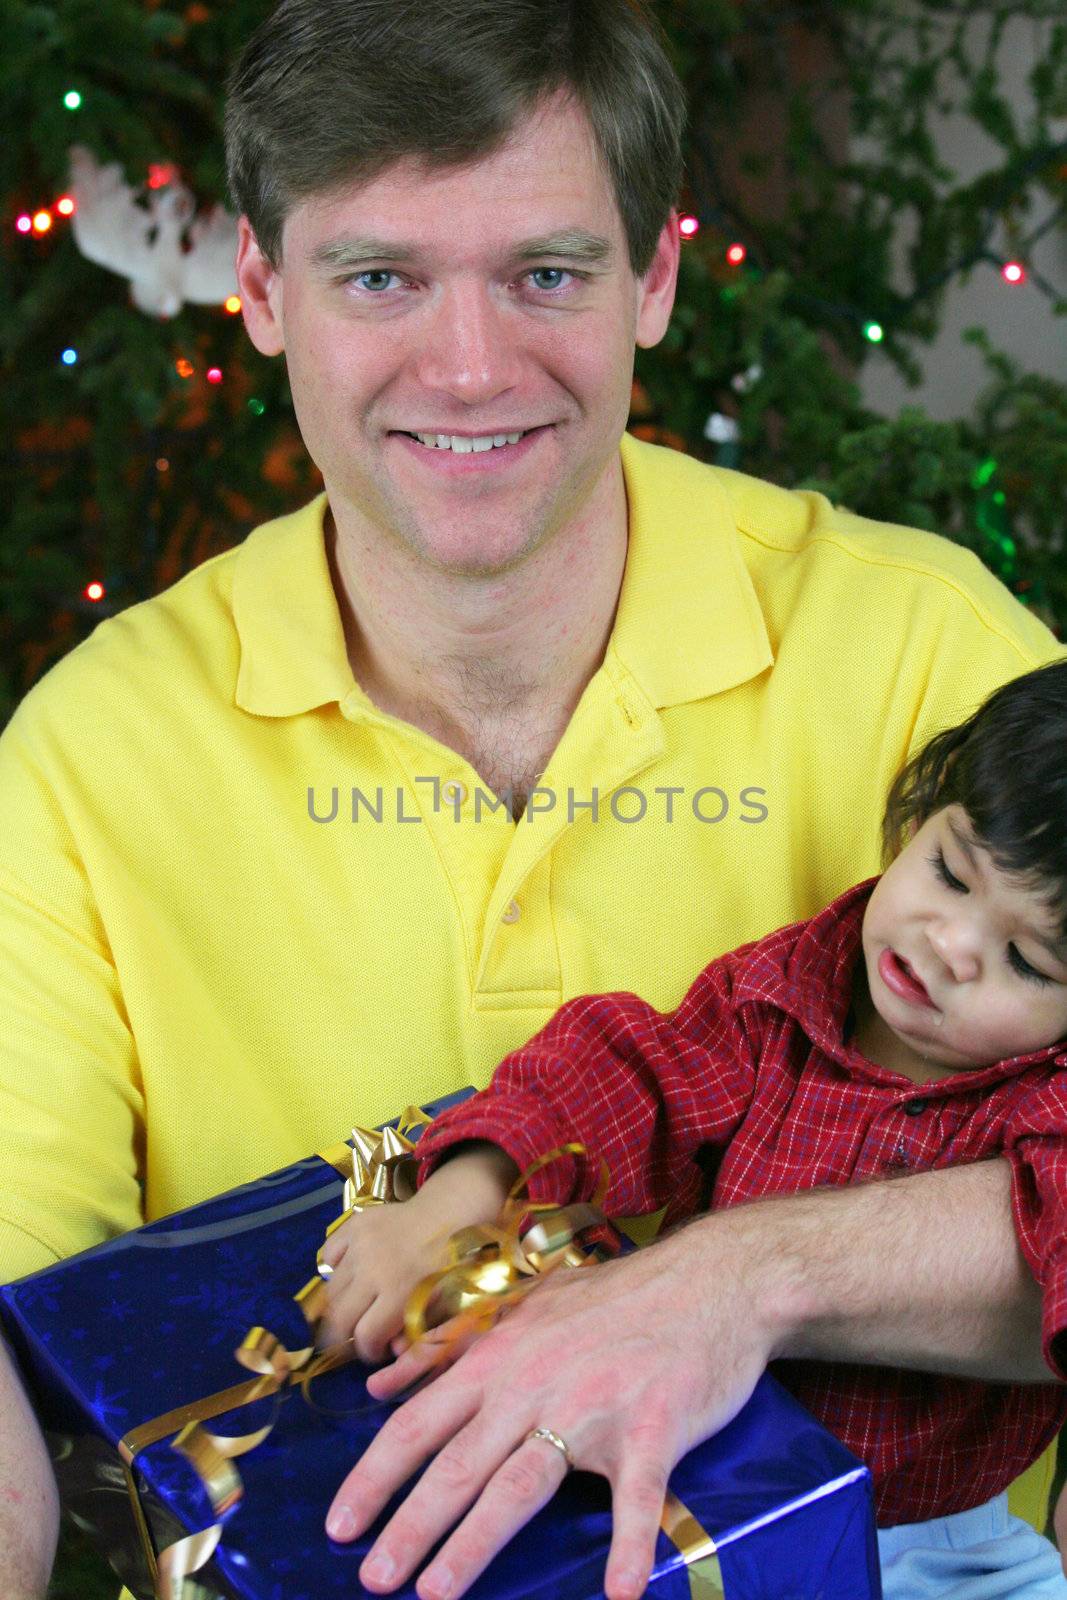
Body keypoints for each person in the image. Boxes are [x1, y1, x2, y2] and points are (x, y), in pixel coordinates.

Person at [0, 1, 1062, 1595]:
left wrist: (732, 1283)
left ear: (650, 278)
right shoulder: (84, 760)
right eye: (380, 278)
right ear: (258, 288)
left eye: (545, 273)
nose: (472, 367)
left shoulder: (932, 649)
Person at [319, 659, 1067, 1598]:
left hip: (931, 1548)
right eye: (949, 873)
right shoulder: (785, 992)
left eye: (1027, 961)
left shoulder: (1049, 1098)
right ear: (918, 817)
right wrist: (463, 1189)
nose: (950, 946)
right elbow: (621, 1074)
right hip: (693, 1493)